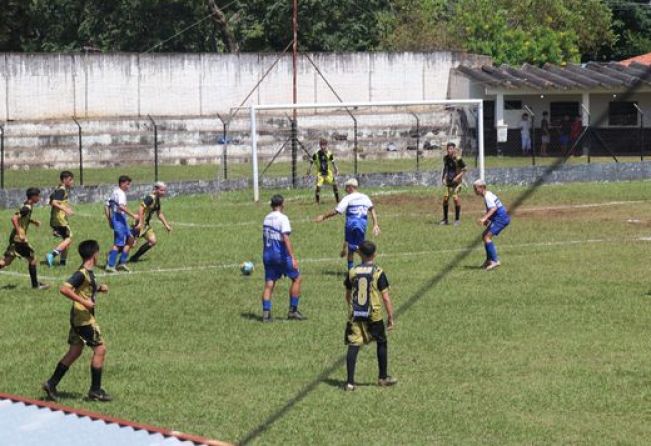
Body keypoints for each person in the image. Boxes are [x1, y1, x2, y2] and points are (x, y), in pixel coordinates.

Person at [42, 240, 112, 402]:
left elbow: (85, 287)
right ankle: (95, 390)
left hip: (78, 318)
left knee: (75, 351)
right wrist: (84, 302)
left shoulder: (88, 273)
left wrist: (99, 288)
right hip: (84, 320)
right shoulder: (81, 273)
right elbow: (64, 288)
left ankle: (51, 383)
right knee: (100, 350)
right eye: (98, 253)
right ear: (94, 255)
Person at [343, 240, 396, 391]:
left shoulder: (352, 272)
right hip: (373, 313)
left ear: (359, 254)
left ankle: (350, 383)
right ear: (374, 254)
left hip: (356, 313)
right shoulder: (378, 272)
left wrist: (351, 308)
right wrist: (390, 317)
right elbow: (385, 297)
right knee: (381, 342)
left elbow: (347, 295)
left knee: (354, 345)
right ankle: (383, 377)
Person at [315, 178, 380, 270]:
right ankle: (355, 269)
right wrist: (375, 224)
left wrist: (323, 217)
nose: (345, 189)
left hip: (352, 224)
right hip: (361, 225)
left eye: (346, 187)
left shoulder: (348, 198)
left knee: (356, 248)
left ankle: (367, 264)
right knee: (353, 248)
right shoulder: (365, 197)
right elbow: (372, 210)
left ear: (351, 187)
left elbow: (336, 211)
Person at [261, 194, 304, 323]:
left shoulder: (266, 218)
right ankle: (293, 311)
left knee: (269, 284)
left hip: (267, 254)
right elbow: (285, 238)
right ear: (282, 204)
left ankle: (266, 314)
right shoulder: (283, 218)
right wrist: (293, 258)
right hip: (280, 255)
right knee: (297, 278)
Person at [0, 188, 49, 290]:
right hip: (18, 239)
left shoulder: (27, 205)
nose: (39, 198)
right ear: (33, 197)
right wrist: (20, 233)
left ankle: (36, 285)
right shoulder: (27, 207)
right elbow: (14, 218)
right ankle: (36, 285)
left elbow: (22, 218)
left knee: (6, 262)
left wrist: (32, 221)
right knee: (32, 259)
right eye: (38, 196)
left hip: (14, 239)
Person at [129, 182, 172, 263]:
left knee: (152, 241)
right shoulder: (150, 198)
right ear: (156, 189)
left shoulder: (157, 199)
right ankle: (114, 253)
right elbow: (141, 208)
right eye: (162, 190)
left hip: (146, 225)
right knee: (131, 244)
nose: (164, 192)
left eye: (164, 191)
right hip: (139, 224)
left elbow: (159, 213)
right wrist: (140, 223)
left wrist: (166, 225)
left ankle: (134, 258)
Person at [473, 179, 511, 271]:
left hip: (501, 218)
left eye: (475, 188)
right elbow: (493, 208)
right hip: (499, 217)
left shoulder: (487, 196)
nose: (474, 190)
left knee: (487, 237)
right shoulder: (487, 194)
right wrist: (488, 219)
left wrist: (484, 218)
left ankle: (495, 261)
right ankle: (489, 260)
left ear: (482, 187)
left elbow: (493, 208)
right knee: (484, 236)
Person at [104, 175, 137, 273]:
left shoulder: (115, 191)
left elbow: (106, 205)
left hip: (119, 218)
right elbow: (122, 207)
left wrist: (110, 219)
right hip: (119, 219)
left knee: (131, 240)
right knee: (118, 243)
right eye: (127, 184)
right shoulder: (121, 193)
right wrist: (133, 216)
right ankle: (110, 265)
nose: (129, 186)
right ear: (122, 183)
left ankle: (122, 263)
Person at [46, 171, 75, 267]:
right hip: (60, 219)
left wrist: (64, 207)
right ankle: (52, 255)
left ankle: (62, 262)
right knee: (69, 238)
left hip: (57, 218)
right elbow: (54, 202)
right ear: (65, 180)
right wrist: (65, 209)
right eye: (70, 180)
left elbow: (50, 201)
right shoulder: (61, 190)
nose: (72, 182)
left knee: (66, 240)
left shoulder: (59, 189)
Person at [440, 142, 467, 226]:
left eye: (451, 149)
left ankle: (457, 220)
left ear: (454, 150)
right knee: (445, 200)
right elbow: (445, 168)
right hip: (449, 182)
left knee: (455, 199)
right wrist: (443, 177)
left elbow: (465, 169)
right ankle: (445, 219)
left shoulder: (458, 159)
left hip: (457, 183)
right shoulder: (446, 158)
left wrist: (458, 177)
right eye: (448, 149)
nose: (449, 150)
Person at [308, 138, 340, 204]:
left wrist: (336, 169)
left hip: (328, 173)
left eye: (324, 145)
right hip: (320, 173)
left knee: (334, 185)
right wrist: (309, 169)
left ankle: (338, 200)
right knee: (318, 186)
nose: (323, 147)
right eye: (321, 145)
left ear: (326, 145)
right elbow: (311, 162)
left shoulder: (329, 153)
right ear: (320, 145)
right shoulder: (316, 154)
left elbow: (333, 162)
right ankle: (317, 202)